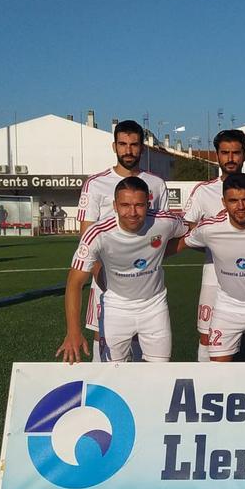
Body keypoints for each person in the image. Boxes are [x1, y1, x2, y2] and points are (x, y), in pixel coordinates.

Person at [57, 177, 187, 363]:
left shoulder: (164, 221)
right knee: (113, 374)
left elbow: (189, 232)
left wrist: (156, 253)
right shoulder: (98, 233)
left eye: (139, 205)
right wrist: (73, 332)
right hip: (116, 307)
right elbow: (75, 282)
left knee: (159, 372)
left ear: (148, 204)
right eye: (125, 205)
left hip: (154, 306)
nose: (132, 212)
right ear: (115, 206)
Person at [182, 129, 245, 361]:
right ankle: (207, 386)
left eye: (236, 152)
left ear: (244, 155)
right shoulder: (203, 191)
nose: (230, 158)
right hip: (214, 278)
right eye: (224, 152)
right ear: (216, 155)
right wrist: (217, 245)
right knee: (208, 338)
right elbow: (187, 230)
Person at [77, 119, 172, 361]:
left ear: (142, 147)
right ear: (114, 146)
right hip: (106, 281)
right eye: (123, 144)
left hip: (145, 285)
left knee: (145, 352)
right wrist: (102, 274)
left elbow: (162, 230)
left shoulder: (157, 184)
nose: (128, 150)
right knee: (105, 352)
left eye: (134, 144)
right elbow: (86, 234)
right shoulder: (95, 183)